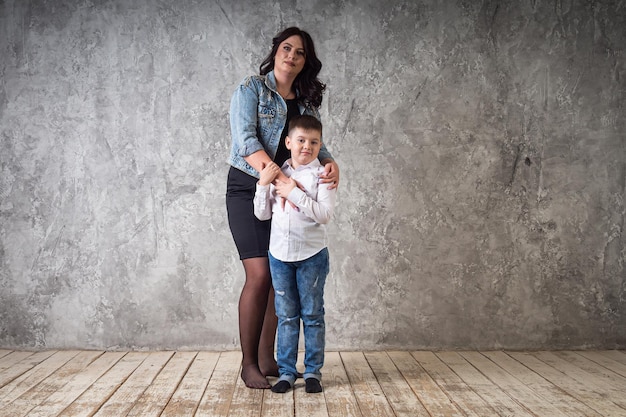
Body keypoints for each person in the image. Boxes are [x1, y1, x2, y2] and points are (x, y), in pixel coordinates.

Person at [226, 27, 340, 389]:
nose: (291, 56)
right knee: (259, 276)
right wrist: (280, 184)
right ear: (276, 52)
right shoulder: (252, 89)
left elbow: (312, 144)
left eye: (300, 52)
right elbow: (245, 141)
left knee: (279, 281)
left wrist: (332, 163)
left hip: (283, 192)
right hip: (249, 188)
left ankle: (266, 358)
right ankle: (248, 365)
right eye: (286, 48)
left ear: (306, 61)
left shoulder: (305, 103)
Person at [254, 115, 336, 394]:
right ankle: (287, 372)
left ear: (320, 144)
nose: (306, 147)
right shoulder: (279, 173)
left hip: (312, 255)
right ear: (289, 142)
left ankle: (313, 371)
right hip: (280, 255)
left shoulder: (323, 175)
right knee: (286, 315)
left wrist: (294, 193)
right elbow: (262, 214)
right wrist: (263, 185)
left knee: (312, 314)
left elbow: (324, 216)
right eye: (301, 140)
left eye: (314, 142)